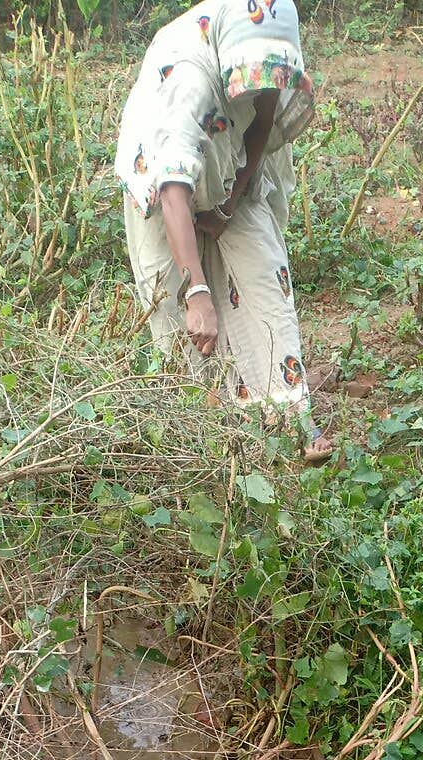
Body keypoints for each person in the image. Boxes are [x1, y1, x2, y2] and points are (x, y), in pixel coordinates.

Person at [115, 0, 331, 463]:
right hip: (164, 174)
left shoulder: (269, 49)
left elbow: (263, 121)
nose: (259, 88)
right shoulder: (191, 79)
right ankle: (201, 429)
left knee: (263, 273)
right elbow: (172, 189)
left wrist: (232, 201)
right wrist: (196, 292)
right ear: (229, 62)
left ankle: (287, 416)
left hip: (227, 157)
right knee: (176, 308)